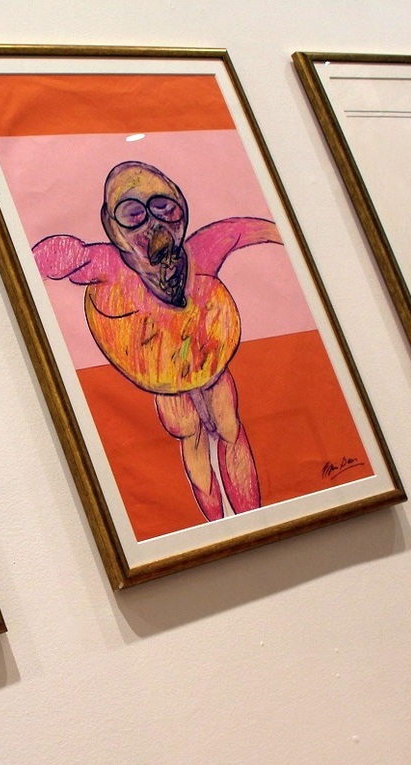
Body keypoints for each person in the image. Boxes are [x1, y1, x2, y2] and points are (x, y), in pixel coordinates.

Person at [33, 161, 281, 521]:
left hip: (208, 359)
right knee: (191, 434)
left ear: (182, 208)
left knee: (229, 428)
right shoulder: (107, 266)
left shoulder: (201, 252)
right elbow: (58, 258)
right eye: (133, 214)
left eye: (164, 207)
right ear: (112, 226)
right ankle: (217, 525)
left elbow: (244, 230)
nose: (153, 222)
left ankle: (254, 522)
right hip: (160, 371)